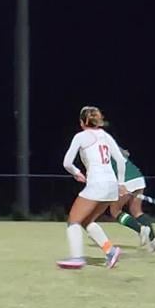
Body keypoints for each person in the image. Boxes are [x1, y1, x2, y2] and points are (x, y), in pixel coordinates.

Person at [56, 106, 126, 270]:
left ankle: (76, 258)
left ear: (82, 122)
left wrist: (76, 172)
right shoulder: (106, 136)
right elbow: (121, 161)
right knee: (87, 221)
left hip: (97, 184)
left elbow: (67, 162)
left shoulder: (80, 136)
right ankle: (111, 251)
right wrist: (121, 183)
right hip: (111, 185)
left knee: (73, 220)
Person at [107, 148, 155, 252]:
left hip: (125, 180)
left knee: (115, 211)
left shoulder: (97, 150)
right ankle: (154, 239)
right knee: (136, 211)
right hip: (137, 177)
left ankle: (140, 230)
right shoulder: (110, 145)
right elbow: (126, 153)